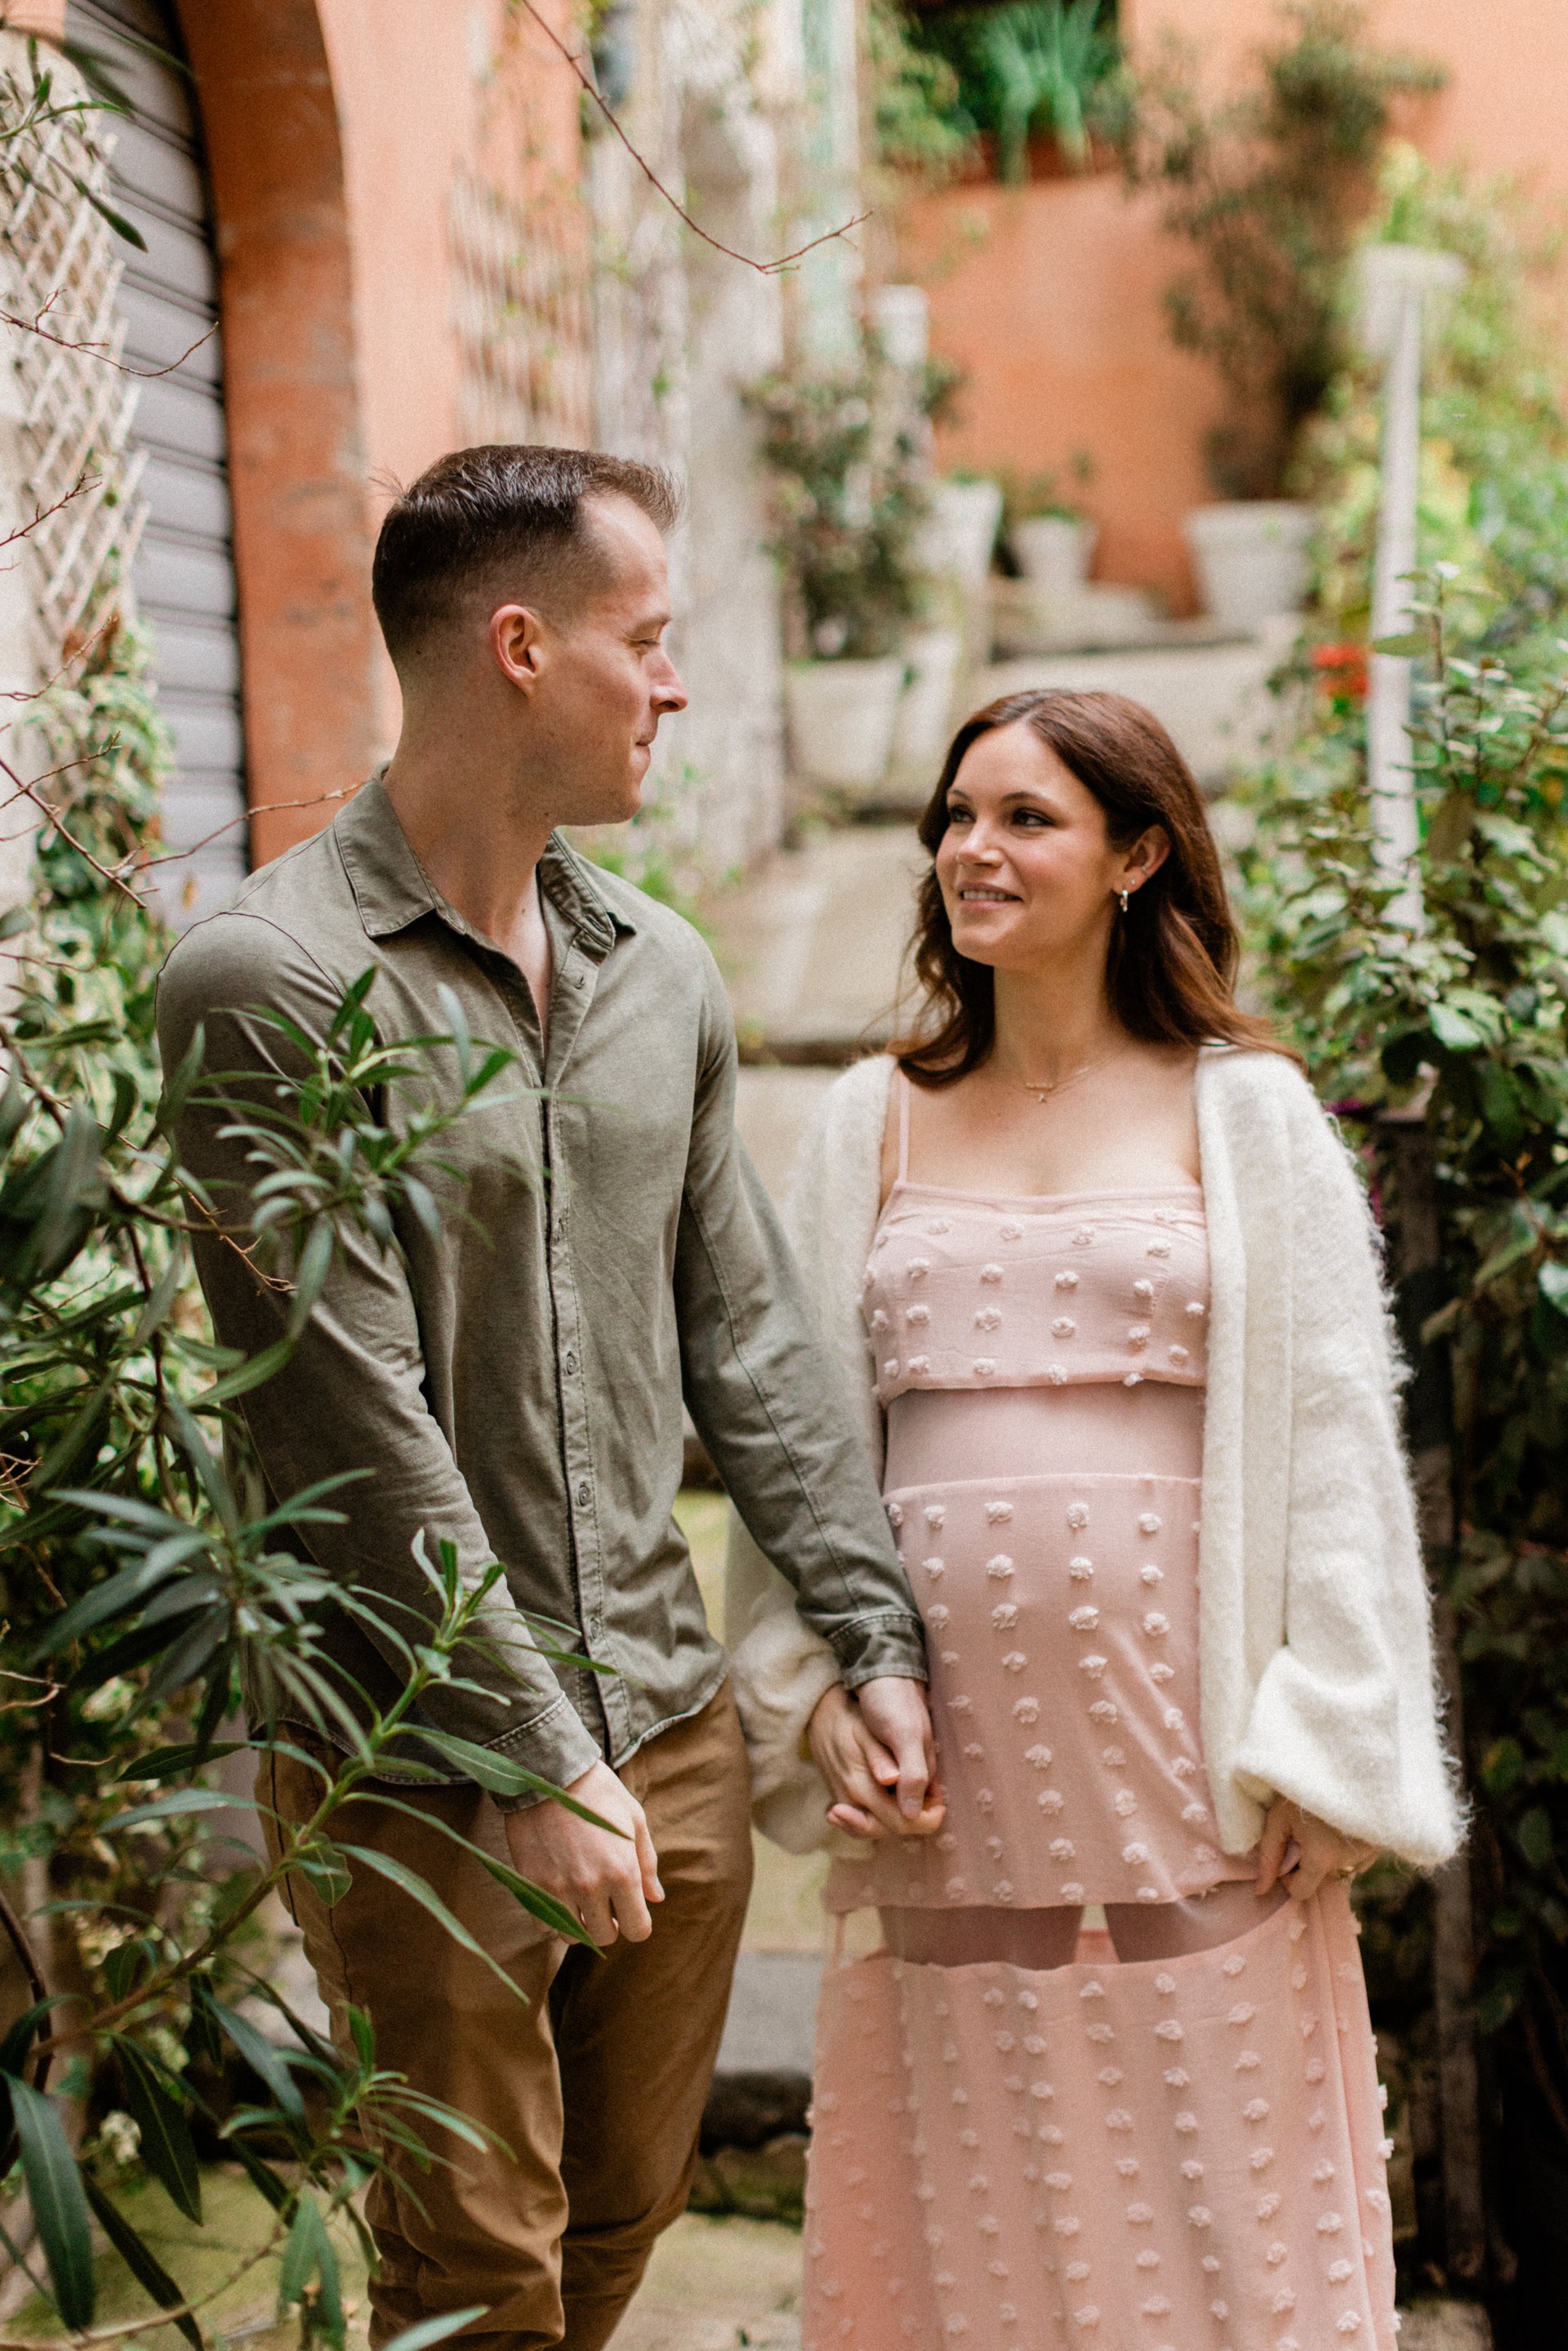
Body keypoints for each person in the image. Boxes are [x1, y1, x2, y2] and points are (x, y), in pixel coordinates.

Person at [155, 444, 938, 2351]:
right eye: (645, 639)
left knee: (613, 2225)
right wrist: (530, 1757)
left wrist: (871, 1633)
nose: (678, 685)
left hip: (668, 1716)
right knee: (474, 2275)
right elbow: (346, 1419)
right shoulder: (265, 982)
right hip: (421, 1754)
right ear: (520, 646)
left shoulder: (660, 972)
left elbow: (750, 1337)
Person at [728, 688, 1463, 2351]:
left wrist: (1329, 1734)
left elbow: (1339, 1438)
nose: (970, 849)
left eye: (1024, 818)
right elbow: (801, 1451)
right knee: (967, 2218)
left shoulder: (1247, 1110)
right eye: (955, 815)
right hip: (946, 1772)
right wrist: (817, 1686)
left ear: (1137, 855)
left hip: (1193, 1760)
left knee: (1219, 2206)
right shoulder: (867, 1117)